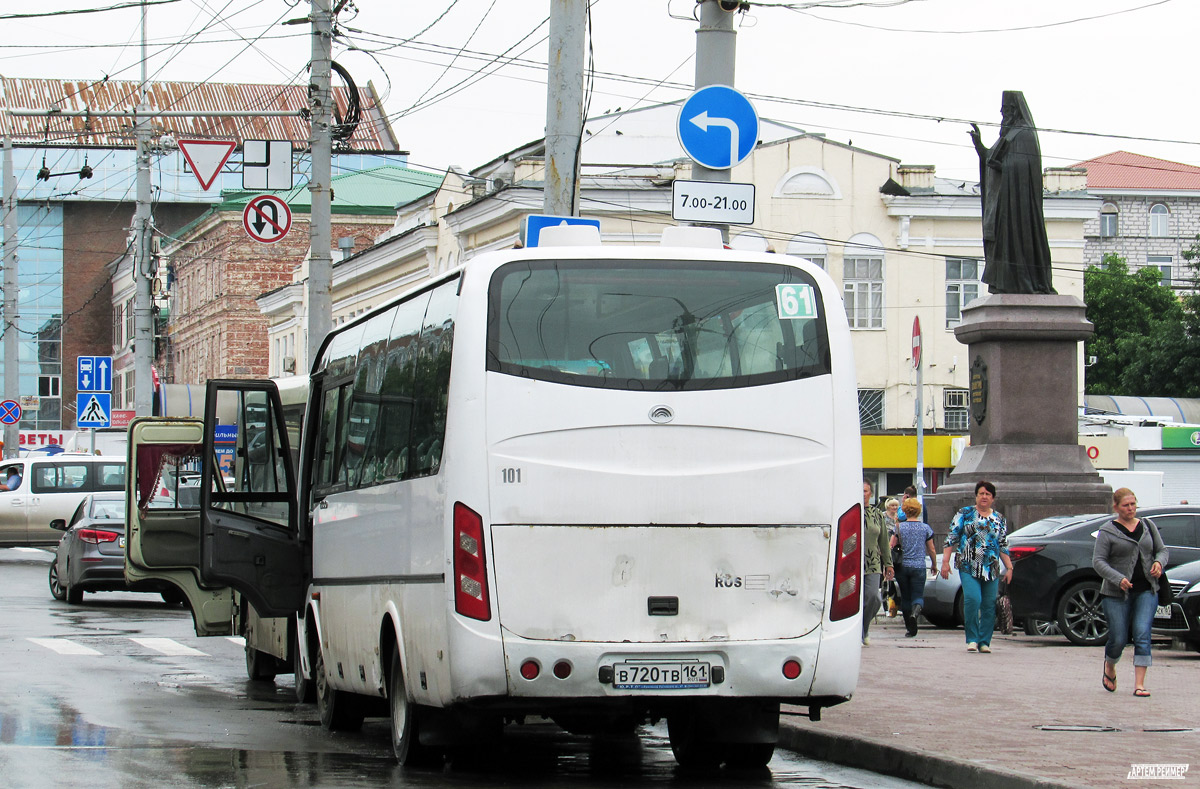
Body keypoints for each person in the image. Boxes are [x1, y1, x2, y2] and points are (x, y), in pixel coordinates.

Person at [969, 90, 1056, 295]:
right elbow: (991, 157)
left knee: (1015, 244)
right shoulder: (1007, 135)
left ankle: (1020, 282)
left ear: (1016, 111)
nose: (1003, 115)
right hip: (1001, 205)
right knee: (999, 244)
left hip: (1017, 207)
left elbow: (1027, 166)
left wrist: (1003, 165)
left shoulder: (1024, 134)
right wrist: (980, 147)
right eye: (1002, 111)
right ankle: (1003, 283)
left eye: (1007, 110)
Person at [1093, 487, 1168, 697]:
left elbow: (1162, 550)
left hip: (1146, 589)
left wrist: (1158, 563)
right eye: (1126, 505)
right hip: (1115, 593)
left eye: (1133, 504)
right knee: (1118, 638)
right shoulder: (1107, 531)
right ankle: (1110, 665)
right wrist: (1118, 578)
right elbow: (1098, 561)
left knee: (1142, 633)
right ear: (1116, 507)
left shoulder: (1147, 526)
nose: (1131, 509)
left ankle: (1139, 685)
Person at [941, 480, 1013, 653]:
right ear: (976, 496)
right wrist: (945, 561)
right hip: (968, 565)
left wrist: (1009, 567)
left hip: (991, 567)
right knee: (973, 599)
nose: (984, 497)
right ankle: (972, 639)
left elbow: (1002, 544)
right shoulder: (965, 514)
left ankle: (984, 641)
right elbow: (951, 537)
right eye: (981, 493)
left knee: (988, 604)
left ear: (993, 498)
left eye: (988, 494)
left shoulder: (999, 519)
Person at [895, 497, 937, 638]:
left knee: (906, 597)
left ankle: (910, 628)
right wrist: (934, 564)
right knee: (918, 596)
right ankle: (915, 612)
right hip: (919, 566)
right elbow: (931, 549)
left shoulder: (899, 527)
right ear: (918, 511)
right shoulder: (925, 528)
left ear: (905, 511)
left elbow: (891, 545)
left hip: (902, 567)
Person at [861, 479, 894, 646]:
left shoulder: (877, 515)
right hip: (851, 563)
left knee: (873, 597)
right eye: (860, 490)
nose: (863, 494)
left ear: (871, 494)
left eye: (866, 491)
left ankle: (863, 628)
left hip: (872, 562)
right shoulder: (849, 513)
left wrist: (889, 564)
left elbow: (884, 542)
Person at [882, 497, 902, 617]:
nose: (894, 508)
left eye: (896, 506)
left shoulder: (899, 518)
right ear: (888, 506)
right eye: (892, 506)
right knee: (885, 579)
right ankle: (885, 605)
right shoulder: (883, 516)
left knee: (894, 579)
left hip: (896, 551)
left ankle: (894, 605)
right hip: (885, 549)